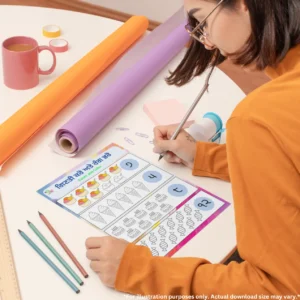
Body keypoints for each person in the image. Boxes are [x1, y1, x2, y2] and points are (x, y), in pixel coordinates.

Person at [85, 0, 300, 296]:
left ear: (242, 5)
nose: (208, 43)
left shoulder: (258, 120)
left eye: (203, 23)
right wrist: (206, 157)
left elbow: (280, 288)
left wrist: (139, 271)